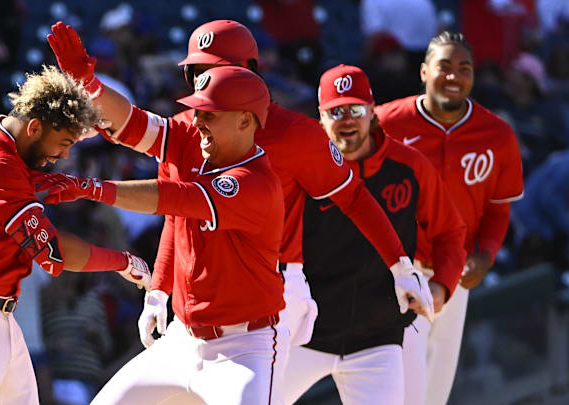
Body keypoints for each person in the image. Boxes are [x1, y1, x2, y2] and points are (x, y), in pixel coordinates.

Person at [147, 19, 434, 358]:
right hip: (198, 301)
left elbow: (354, 197)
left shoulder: (293, 133)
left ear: (250, 72)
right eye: (198, 71)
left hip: (275, 295)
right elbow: (174, 217)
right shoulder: (183, 131)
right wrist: (158, 291)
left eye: (217, 70)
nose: (206, 81)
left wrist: (400, 266)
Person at [37, 21, 288, 405]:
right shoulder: (195, 132)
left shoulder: (256, 175)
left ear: (245, 113)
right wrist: (89, 85)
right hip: (183, 338)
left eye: (216, 77)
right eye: (197, 75)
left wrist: (88, 187)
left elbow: (174, 199)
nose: (199, 114)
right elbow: (132, 124)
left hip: (244, 346)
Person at [0, 65, 151, 405]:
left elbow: (16, 180)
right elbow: (54, 254)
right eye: (64, 142)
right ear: (35, 127)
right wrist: (122, 261)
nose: (65, 154)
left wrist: (76, 186)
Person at [282, 64, 466, 405]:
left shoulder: (409, 165)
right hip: (306, 333)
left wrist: (441, 286)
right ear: (320, 117)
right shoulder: (298, 169)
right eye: (336, 111)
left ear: (372, 111)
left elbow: (450, 232)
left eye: (355, 109)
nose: (347, 119)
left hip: (379, 338)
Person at [375, 31, 525, 405]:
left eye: (465, 68)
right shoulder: (386, 123)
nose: (454, 75)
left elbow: (498, 207)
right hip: (399, 272)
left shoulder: (497, 134)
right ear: (424, 71)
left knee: (435, 393)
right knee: (401, 391)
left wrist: (487, 254)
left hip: (455, 274)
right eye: (444, 66)